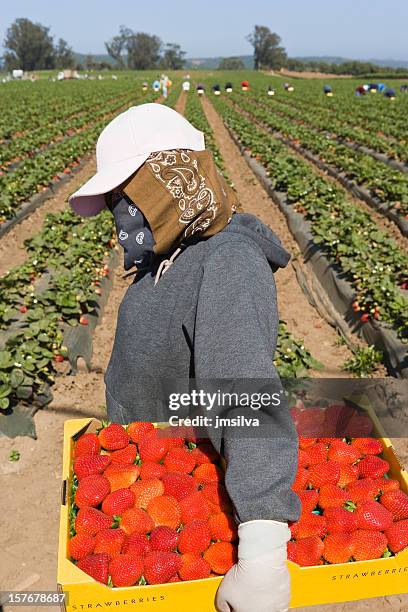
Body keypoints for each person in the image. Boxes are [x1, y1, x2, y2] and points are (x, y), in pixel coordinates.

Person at [68, 103, 300, 612]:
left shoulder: (229, 262)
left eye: (123, 195)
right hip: (151, 487)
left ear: (165, 179)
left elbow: (244, 391)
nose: (117, 212)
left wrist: (261, 555)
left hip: (188, 508)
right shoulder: (170, 254)